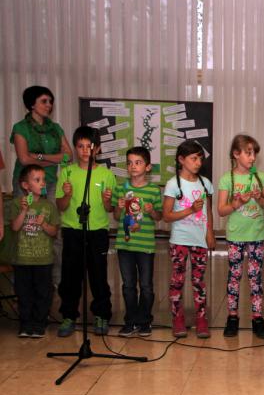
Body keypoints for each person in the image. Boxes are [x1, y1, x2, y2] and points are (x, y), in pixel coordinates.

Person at [55, 127, 116, 337]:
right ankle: (69, 316)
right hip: (73, 230)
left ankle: (101, 315)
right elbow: (61, 205)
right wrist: (66, 194)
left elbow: (110, 208)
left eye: (89, 146)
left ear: (97, 149)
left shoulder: (106, 174)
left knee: (98, 276)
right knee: (70, 276)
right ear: (75, 147)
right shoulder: (67, 172)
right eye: (80, 146)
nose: (84, 150)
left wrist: (107, 200)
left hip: (97, 231)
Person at [217, 134, 264, 338]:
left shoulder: (261, 177)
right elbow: (221, 210)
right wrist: (237, 203)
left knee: (255, 277)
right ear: (236, 154)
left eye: (254, 154)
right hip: (235, 236)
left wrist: (259, 199)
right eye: (248, 153)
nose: (252, 158)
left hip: (257, 234)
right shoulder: (226, 179)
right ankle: (232, 317)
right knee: (234, 276)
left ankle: (257, 318)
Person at [163, 140, 215, 339]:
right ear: (181, 160)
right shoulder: (173, 184)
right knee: (177, 280)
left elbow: (208, 210)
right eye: (194, 158)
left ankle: (201, 320)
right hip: (179, 240)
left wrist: (209, 233)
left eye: (200, 158)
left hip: (199, 240)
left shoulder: (205, 183)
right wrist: (190, 210)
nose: (198, 163)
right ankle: (177, 319)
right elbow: (167, 215)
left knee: (199, 281)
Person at [112, 147, 163, 337]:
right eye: (129, 163)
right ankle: (130, 321)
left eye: (138, 162)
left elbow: (159, 216)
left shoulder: (153, 190)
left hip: (145, 246)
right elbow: (116, 216)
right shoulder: (121, 188)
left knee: (146, 286)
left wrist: (151, 211)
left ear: (148, 167)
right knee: (128, 286)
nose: (133, 166)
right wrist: (118, 208)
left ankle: (144, 321)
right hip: (124, 245)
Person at [10, 165, 59, 337]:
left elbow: (54, 232)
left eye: (43, 180)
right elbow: (15, 227)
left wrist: (43, 224)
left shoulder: (49, 206)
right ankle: (25, 325)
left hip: (43, 259)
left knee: (43, 293)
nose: (42, 183)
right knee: (24, 293)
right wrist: (24, 211)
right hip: (22, 259)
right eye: (37, 180)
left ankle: (39, 324)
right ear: (25, 185)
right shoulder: (17, 204)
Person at [10, 86, 72, 198]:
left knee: (50, 209)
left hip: (50, 181)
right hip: (26, 185)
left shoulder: (56, 128)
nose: (49, 105)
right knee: (27, 210)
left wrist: (39, 156)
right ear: (32, 104)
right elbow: (25, 160)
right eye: (44, 101)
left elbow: (68, 156)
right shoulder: (20, 127)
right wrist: (54, 161)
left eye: (50, 101)